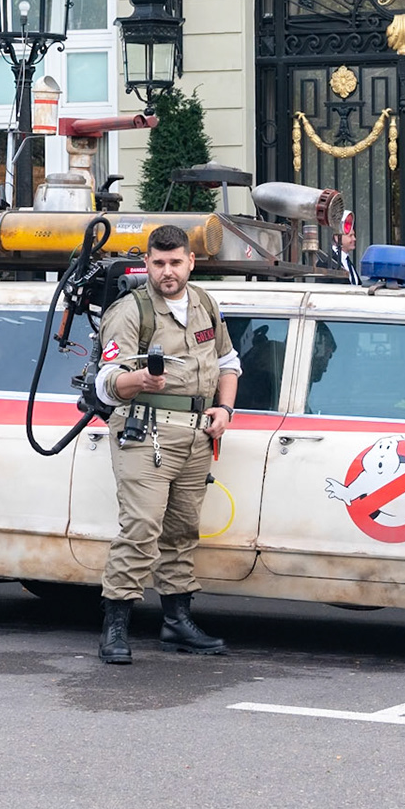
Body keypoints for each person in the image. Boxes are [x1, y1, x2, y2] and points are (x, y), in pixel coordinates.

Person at [92, 223, 242, 664]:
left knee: (181, 531)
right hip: (146, 431)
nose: (167, 271)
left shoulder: (205, 304)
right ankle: (115, 627)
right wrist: (138, 379)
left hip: (197, 434)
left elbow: (229, 362)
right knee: (141, 530)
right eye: (158, 263)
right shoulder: (131, 309)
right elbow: (105, 380)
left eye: (176, 262)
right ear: (147, 264)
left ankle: (177, 623)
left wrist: (225, 410)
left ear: (191, 261)